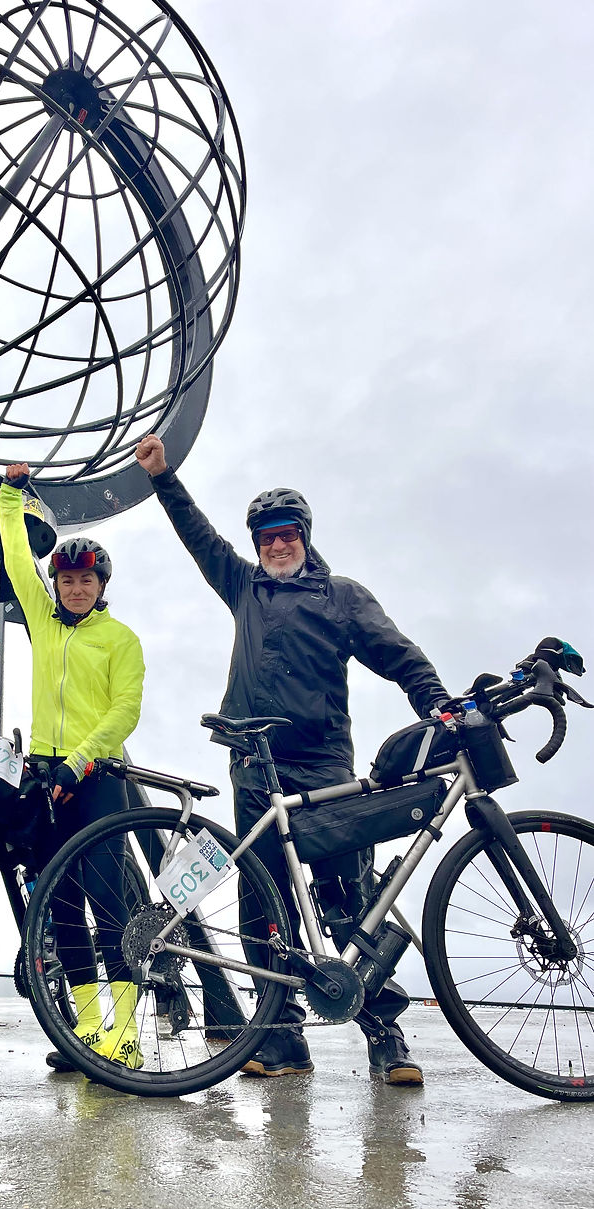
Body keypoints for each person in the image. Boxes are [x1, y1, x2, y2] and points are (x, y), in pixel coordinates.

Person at [135, 433, 451, 1086]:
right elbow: (199, 538)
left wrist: (438, 703)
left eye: (286, 533)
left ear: (304, 535)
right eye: (266, 536)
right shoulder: (245, 587)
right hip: (255, 769)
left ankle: (384, 1033)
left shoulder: (340, 595)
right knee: (264, 907)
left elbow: (397, 653)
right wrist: (163, 477)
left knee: (348, 903)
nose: (276, 545)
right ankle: (282, 1044)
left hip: (324, 766)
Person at [0, 463, 145, 1071]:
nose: (75, 588)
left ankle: (127, 1031)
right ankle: (86, 1029)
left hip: (97, 779)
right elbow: (14, 558)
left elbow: (123, 712)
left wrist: (79, 763)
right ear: (55, 584)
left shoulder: (121, 640)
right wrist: (11, 495)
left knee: (111, 902)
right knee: (60, 905)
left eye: (86, 580)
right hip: (44, 775)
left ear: (101, 585)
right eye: (67, 579)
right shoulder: (44, 622)